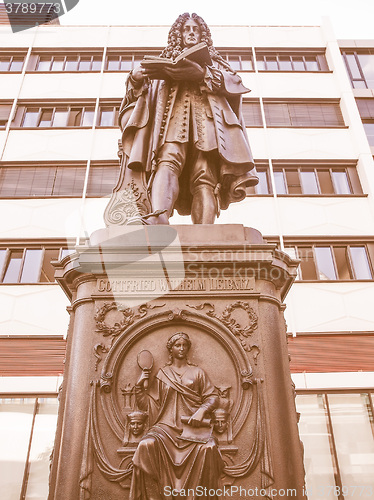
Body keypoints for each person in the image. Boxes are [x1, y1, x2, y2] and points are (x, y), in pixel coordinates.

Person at [119, 12, 258, 225]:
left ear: (203, 35)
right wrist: (135, 79)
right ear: (179, 34)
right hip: (171, 121)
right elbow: (141, 93)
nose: (191, 33)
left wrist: (202, 74)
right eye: (187, 29)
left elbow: (235, 82)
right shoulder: (164, 59)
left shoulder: (215, 62)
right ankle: (159, 218)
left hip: (209, 122)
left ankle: (205, 231)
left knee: (204, 174)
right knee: (167, 161)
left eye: (196, 29)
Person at [129, 332, 223, 499]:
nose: (181, 348)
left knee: (209, 448)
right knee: (145, 445)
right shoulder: (162, 374)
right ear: (170, 350)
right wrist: (139, 388)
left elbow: (213, 397)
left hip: (192, 429)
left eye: (184, 345)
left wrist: (201, 411)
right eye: (177, 345)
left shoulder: (198, 372)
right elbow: (151, 406)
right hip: (165, 428)